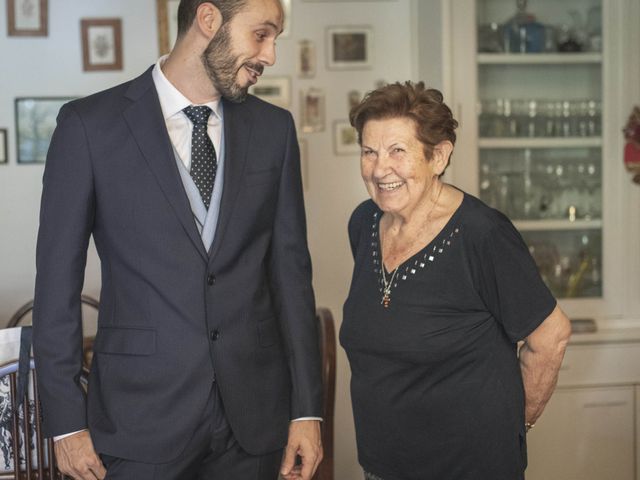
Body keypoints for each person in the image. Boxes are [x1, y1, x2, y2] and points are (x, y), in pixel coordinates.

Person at [32, 1, 323, 479]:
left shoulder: (274, 130)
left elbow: (292, 278)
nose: (270, 55)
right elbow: (56, 287)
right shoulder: (88, 126)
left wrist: (306, 410)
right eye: (261, 35)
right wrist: (65, 423)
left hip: (253, 422)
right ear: (209, 20)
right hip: (138, 420)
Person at [340, 81, 572, 480]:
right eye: (369, 152)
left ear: (439, 156)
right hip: (381, 467)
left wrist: (515, 427)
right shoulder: (364, 223)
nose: (380, 169)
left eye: (398, 151)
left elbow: (550, 336)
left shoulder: (482, 234)